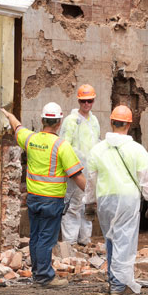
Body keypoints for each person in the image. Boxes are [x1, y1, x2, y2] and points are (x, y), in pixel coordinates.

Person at [1, 103, 86, 288]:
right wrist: (94, 194)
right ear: (59, 122)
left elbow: (18, 127)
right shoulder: (61, 146)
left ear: (42, 120)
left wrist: (9, 115)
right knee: (46, 239)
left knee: (36, 237)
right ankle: (44, 277)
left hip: (33, 199)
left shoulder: (31, 139)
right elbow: (77, 175)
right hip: (51, 200)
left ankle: (38, 273)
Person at [84, 105, 148, 295]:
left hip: (105, 200)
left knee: (111, 239)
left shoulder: (97, 150)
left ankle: (114, 280)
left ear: (111, 123)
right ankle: (119, 285)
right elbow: (146, 180)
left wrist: (88, 203)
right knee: (125, 241)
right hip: (127, 200)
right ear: (129, 125)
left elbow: (91, 181)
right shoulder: (137, 150)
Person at [59, 84, 100, 246]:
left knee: (87, 205)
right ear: (79, 101)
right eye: (83, 101)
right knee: (72, 206)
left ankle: (84, 240)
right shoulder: (71, 121)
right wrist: (73, 166)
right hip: (75, 171)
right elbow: (65, 146)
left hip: (90, 171)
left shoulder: (94, 120)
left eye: (89, 101)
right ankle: (70, 243)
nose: (87, 104)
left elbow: (96, 143)